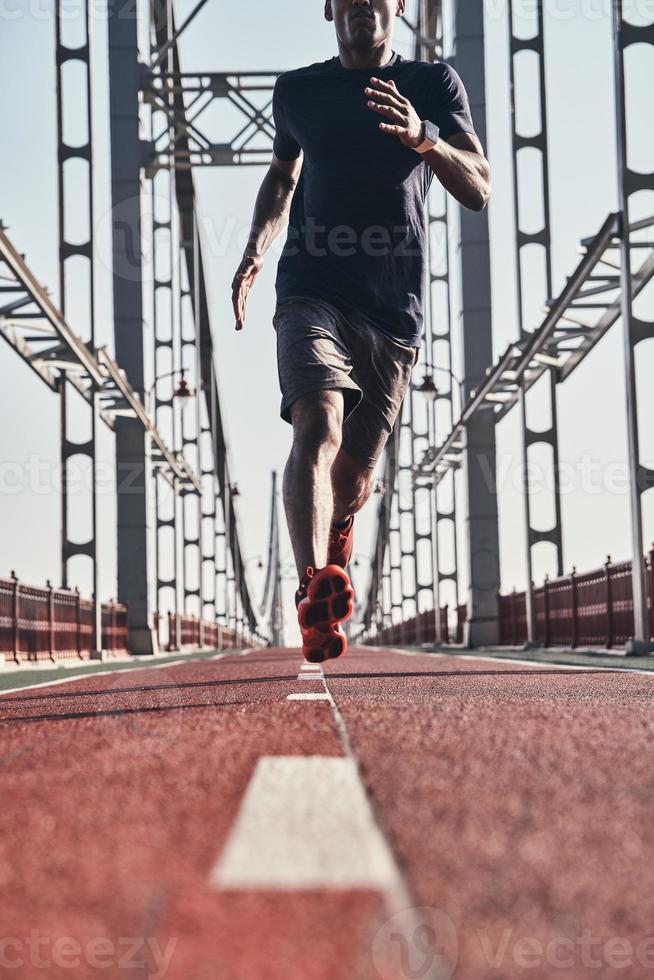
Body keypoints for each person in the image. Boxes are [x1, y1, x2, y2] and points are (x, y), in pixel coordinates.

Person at [232, 0, 491, 663]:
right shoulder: (298, 91)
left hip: (393, 313)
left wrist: (425, 136)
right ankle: (311, 591)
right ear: (327, 7)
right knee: (316, 421)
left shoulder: (435, 85)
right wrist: (257, 249)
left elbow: (480, 186)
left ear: (398, 5)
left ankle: (340, 526)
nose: (360, 3)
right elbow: (282, 176)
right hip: (310, 290)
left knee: (351, 480)